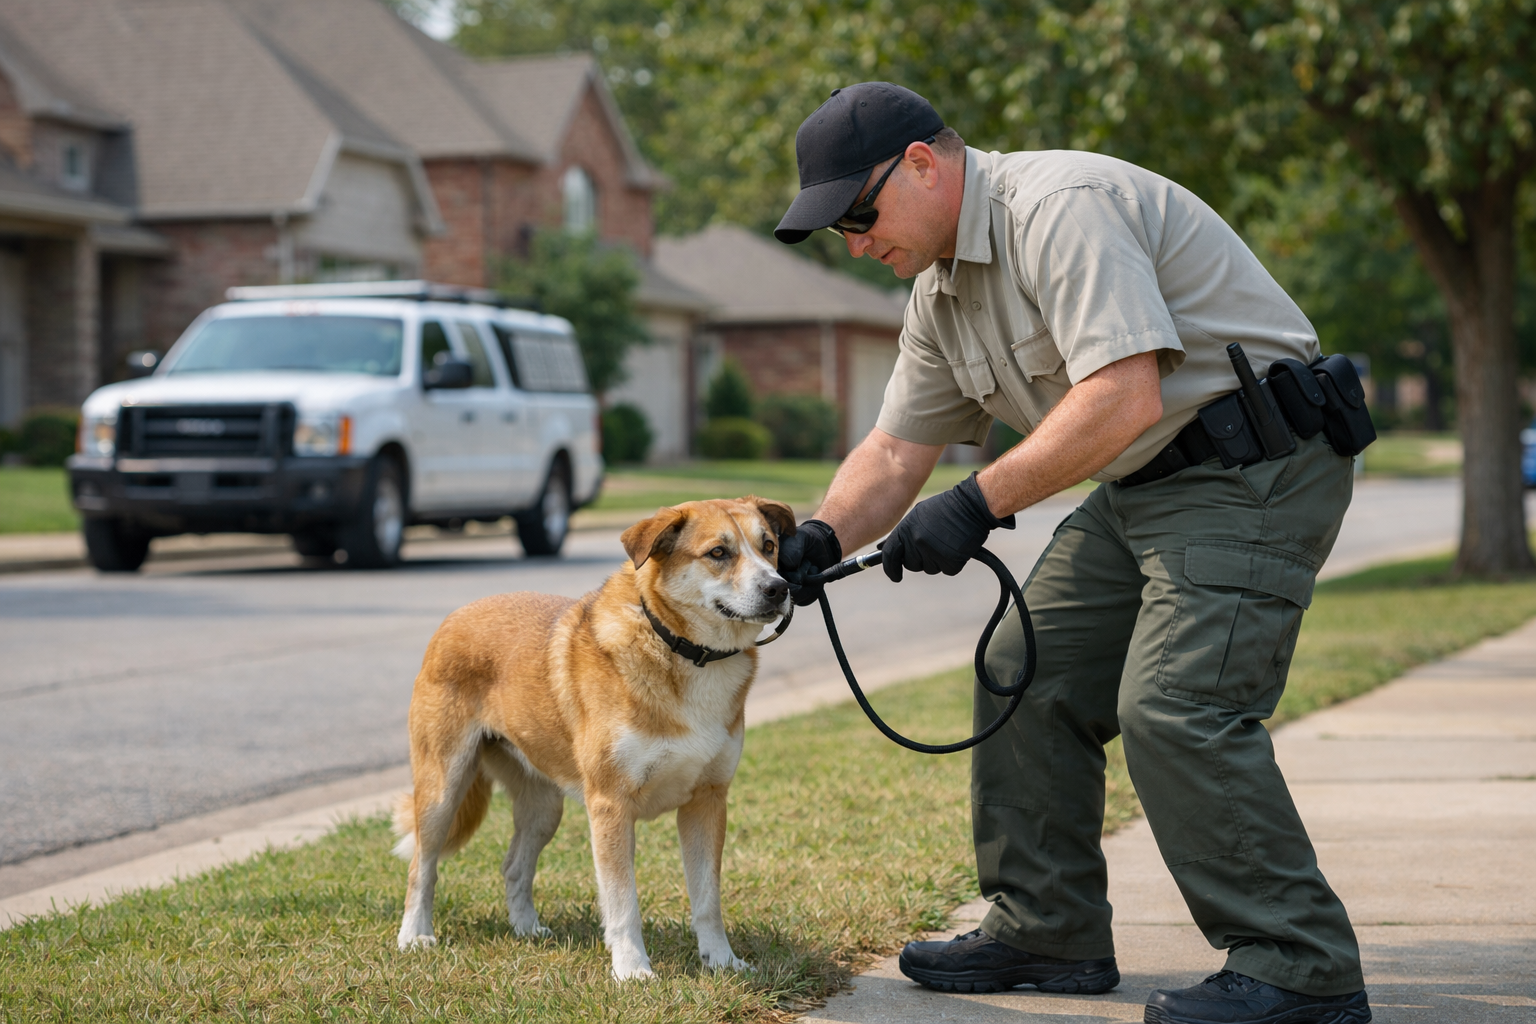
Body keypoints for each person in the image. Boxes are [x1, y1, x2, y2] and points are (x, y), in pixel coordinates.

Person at [772, 82, 1372, 1024]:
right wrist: (817, 536)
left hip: (1255, 468)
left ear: (923, 164)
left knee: (1177, 704)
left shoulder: (1058, 210)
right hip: (1145, 485)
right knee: (1023, 670)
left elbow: (1123, 395)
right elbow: (894, 451)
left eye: (860, 214)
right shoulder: (940, 290)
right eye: (838, 229)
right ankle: (1047, 929)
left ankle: (1302, 968)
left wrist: (975, 503)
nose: (855, 242)